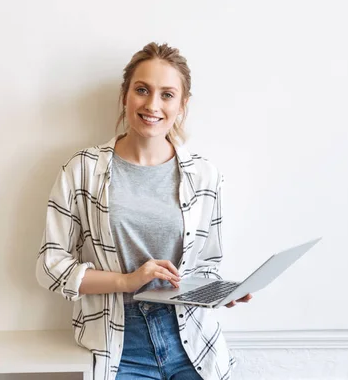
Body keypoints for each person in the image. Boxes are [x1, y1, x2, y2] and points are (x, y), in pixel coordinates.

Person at [36, 42, 252, 380]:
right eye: (142, 90)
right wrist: (127, 281)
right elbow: (51, 267)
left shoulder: (204, 175)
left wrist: (218, 293)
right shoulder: (82, 170)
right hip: (119, 344)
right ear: (125, 95)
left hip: (193, 343)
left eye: (167, 94)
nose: (152, 105)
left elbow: (206, 265)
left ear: (183, 105)